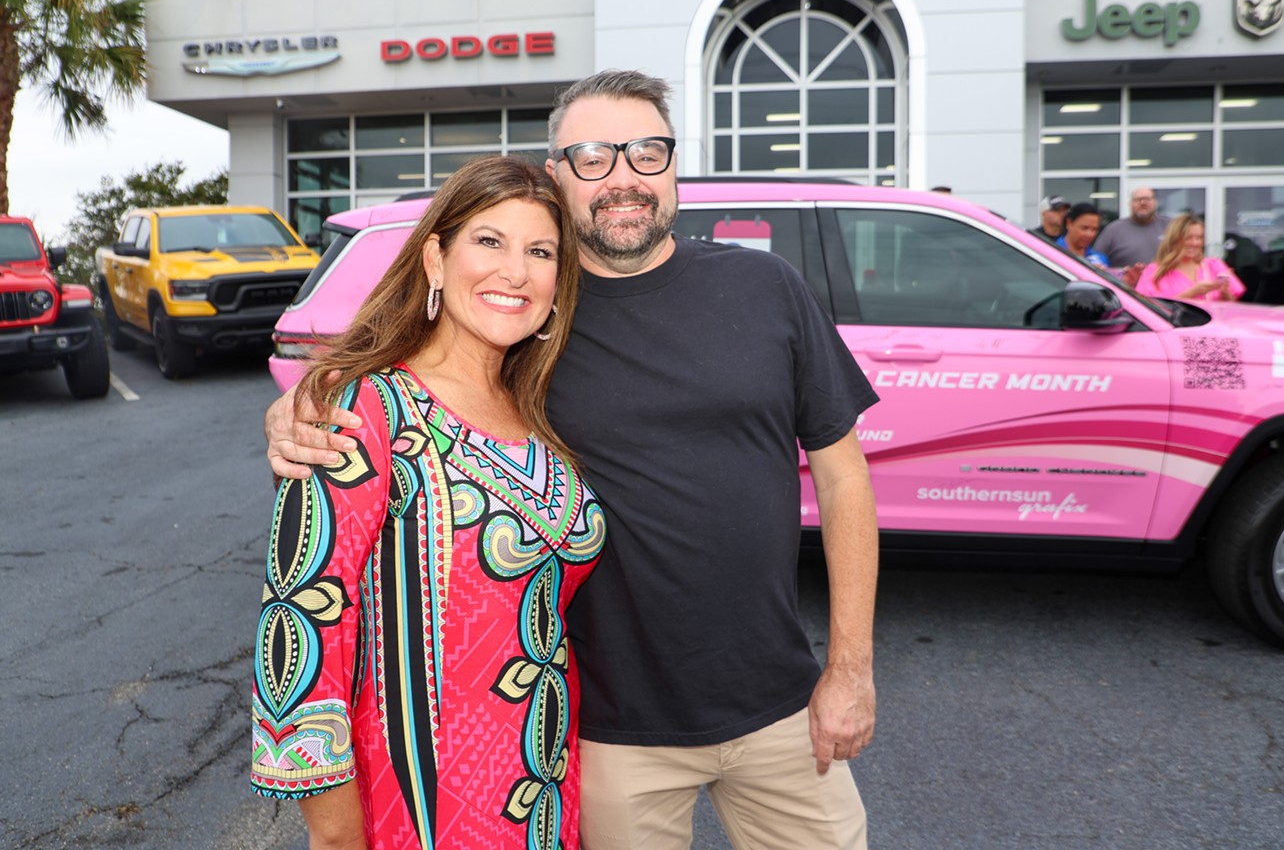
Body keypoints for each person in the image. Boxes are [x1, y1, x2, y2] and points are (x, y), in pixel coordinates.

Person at [266, 69, 880, 850]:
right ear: (558, 175)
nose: (623, 177)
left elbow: (842, 474)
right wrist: (304, 403)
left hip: (783, 712)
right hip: (608, 735)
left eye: (646, 152)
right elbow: (405, 384)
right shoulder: (526, 327)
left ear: (675, 168)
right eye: (592, 156)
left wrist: (851, 669)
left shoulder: (765, 287)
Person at [250, 156, 606, 850]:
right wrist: (336, 837)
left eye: (539, 252)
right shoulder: (364, 409)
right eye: (489, 241)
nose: (514, 272)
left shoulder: (538, 411)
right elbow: (297, 628)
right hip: (422, 803)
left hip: (544, 791)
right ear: (435, 259)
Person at [1135, 214, 1244, 302]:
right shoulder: (1153, 272)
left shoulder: (1214, 265)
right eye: (1188, 238)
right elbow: (1148, 312)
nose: (1195, 243)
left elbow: (1231, 307)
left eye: (1199, 238)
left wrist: (1225, 292)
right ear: (1174, 239)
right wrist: (1192, 292)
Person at [1092, 186, 1170, 272]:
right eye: (1138, 200)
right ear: (1130, 203)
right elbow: (1096, 261)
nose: (1143, 203)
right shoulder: (1113, 230)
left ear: (1155, 202)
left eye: (1147, 199)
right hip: (1124, 285)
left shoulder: (1170, 226)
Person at [1056, 202, 1110, 269]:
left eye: (1094, 229)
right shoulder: (1053, 252)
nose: (1089, 234)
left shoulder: (1100, 259)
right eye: (1084, 228)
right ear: (1069, 223)